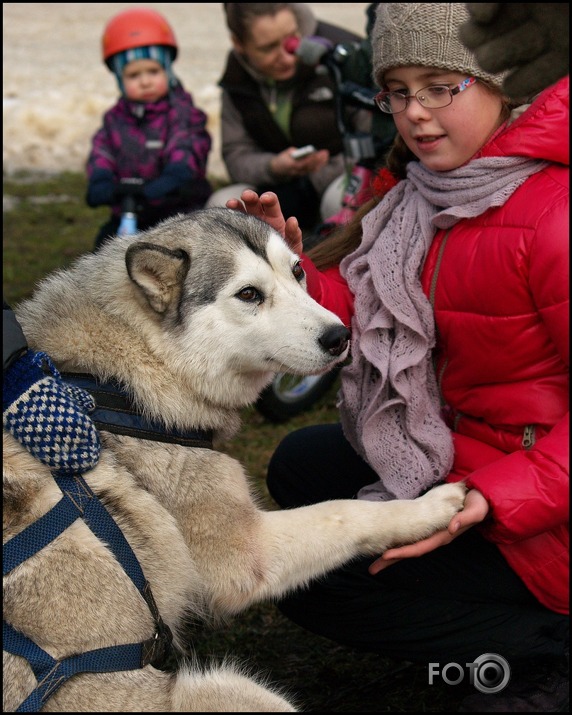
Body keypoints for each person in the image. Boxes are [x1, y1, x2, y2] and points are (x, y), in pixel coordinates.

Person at [227, 3, 569, 711]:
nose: (416, 112)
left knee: (320, 579)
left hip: (543, 510)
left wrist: (497, 496)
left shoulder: (553, 214)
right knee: (300, 464)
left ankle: (546, 651)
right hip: (462, 452)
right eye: (399, 90)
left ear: (503, 82)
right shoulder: (420, 195)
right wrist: (290, 274)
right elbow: (364, 311)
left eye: (443, 85)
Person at [206, 3, 371, 230]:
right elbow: (236, 155)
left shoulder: (340, 54)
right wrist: (274, 167)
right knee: (222, 208)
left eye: (292, 38)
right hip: (275, 190)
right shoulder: (237, 79)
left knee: (342, 201)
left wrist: (318, 176)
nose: (287, 57)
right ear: (239, 44)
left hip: (338, 177)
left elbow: (374, 138)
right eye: (268, 48)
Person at [86, 7, 212, 250]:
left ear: (167, 70)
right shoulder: (114, 120)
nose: (145, 81)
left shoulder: (183, 114)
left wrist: (175, 174)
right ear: (120, 80)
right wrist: (101, 180)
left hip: (178, 214)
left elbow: (186, 146)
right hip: (128, 211)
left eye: (153, 71)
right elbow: (102, 152)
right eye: (134, 75)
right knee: (103, 248)